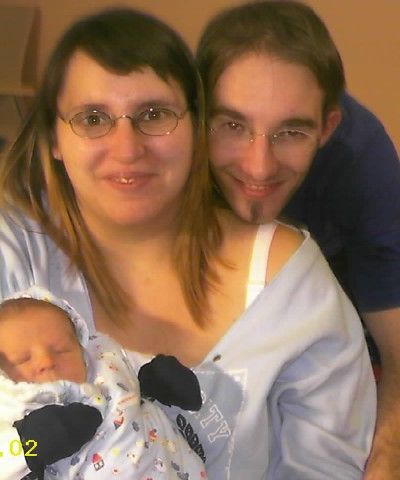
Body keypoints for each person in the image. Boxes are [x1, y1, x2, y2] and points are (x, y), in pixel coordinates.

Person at [0, 6, 376, 479]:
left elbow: (325, 466)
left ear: (198, 126)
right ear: (54, 137)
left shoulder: (294, 287)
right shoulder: (15, 253)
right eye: (92, 118)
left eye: (154, 114)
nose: (128, 149)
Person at [196, 1, 400, 477]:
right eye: (233, 125)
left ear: (328, 127)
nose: (258, 167)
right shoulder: (169, 150)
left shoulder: (361, 164)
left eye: (290, 132)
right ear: (197, 112)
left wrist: (386, 460)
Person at [0, 286, 205, 480]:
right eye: (22, 359)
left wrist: (155, 379)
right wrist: (29, 445)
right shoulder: (10, 409)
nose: (46, 361)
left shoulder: (102, 359)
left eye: (61, 349)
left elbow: (131, 374)